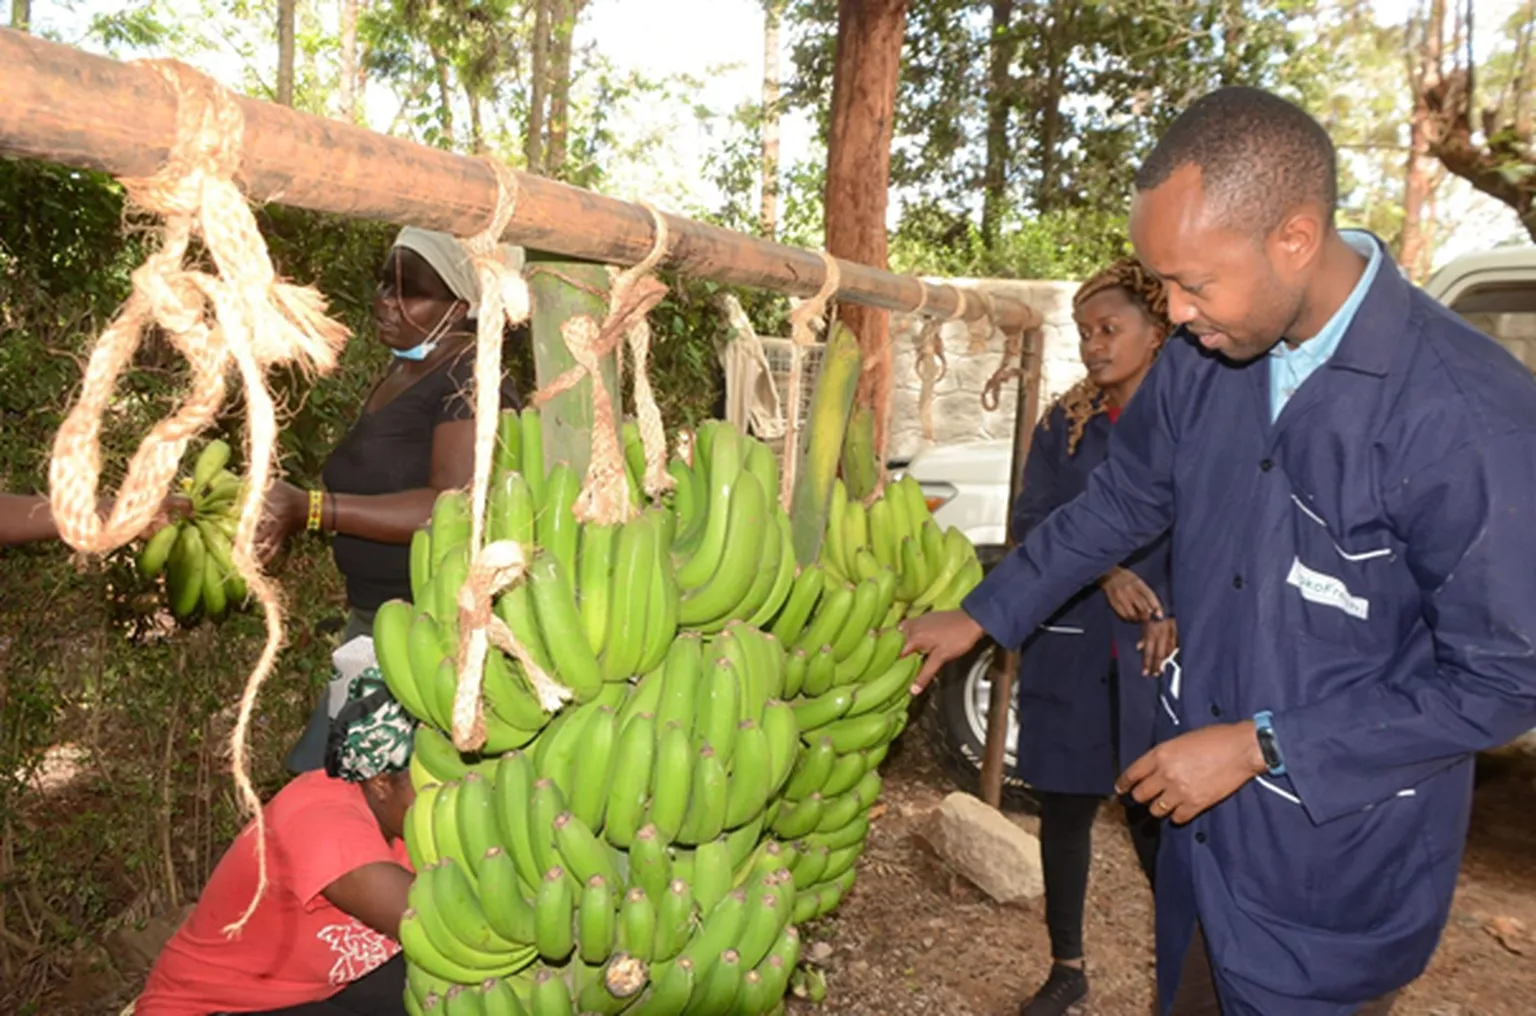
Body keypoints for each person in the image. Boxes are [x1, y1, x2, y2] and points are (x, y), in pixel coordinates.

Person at [903, 86, 1536, 1016]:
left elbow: (1505, 675)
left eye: (1194, 285)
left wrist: (1262, 746)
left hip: (1331, 869)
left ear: (1293, 237)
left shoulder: (1464, 415)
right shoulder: (1208, 362)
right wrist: (988, 609)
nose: (1177, 312)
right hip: (1201, 858)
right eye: (1164, 286)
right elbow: (1123, 498)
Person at [270, 228, 523, 772]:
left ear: (458, 307)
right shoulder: (404, 370)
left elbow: (449, 505)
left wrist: (312, 510)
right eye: (384, 285)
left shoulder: (470, 379)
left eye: (410, 292)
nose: (385, 302)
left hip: (428, 631)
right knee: (332, 782)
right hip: (375, 622)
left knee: (343, 789)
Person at [1013, 258, 1176, 1016]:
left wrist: (1173, 610)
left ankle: (1185, 972)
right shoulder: (1065, 425)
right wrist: (1105, 571)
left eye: (1110, 329)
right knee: (1066, 808)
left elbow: (1222, 537)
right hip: (1073, 643)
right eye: (1084, 332)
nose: (1094, 345)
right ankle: (1067, 966)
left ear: (1158, 330)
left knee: (1163, 819)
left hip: (1157, 651)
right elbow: (1032, 521)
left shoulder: (1192, 421)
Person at [137, 638, 417, 1016]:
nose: (451, 791)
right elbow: (442, 925)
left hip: (310, 995)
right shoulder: (323, 825)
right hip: (211, 1009)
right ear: (381, 781)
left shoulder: (406, 816)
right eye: (432, 778)